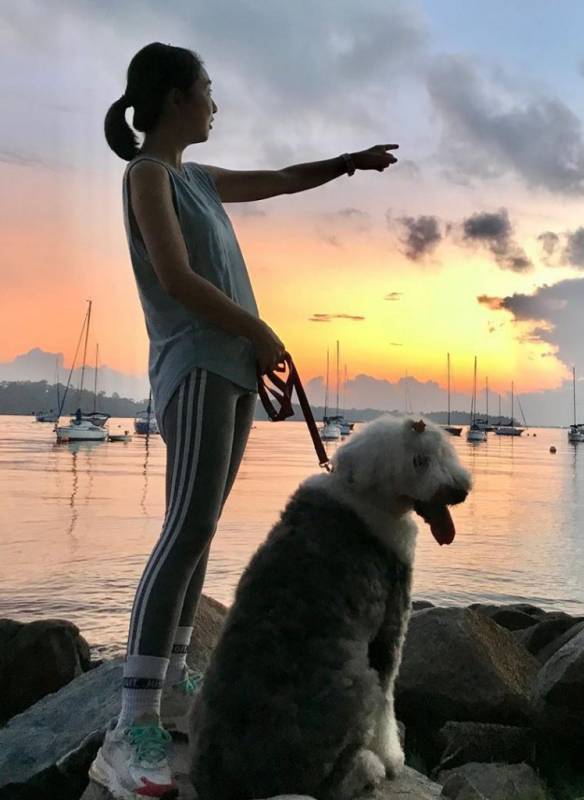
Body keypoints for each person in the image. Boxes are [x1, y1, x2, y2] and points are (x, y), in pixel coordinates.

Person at [94, 41, 398, 799]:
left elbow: (286, 180)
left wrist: (348, 162)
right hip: (196, 364)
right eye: (206, 88)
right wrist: (259, 331)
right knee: (184, 532)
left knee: (197, 536)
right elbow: (174, 277)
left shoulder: (198, 179)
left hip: (228, 371)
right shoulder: (148, 175)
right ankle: (128, 729)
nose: (216, 103)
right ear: (173, 99)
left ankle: (168, 692)